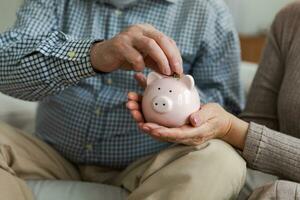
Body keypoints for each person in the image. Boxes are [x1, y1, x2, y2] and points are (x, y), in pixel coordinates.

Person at [0, 0, 246, 199]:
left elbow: (226, 107)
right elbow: (4, 66)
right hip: (51, 152)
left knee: (223, 162)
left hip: (150, 164)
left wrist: (182, 106)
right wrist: (94, 55)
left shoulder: (208, 12)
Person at [128, 1, 300, 199]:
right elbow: (257, 123)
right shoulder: (290, 20)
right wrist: (191, 110)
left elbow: (239, 130)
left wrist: (231, 129)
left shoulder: (209, 12)